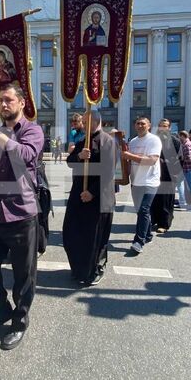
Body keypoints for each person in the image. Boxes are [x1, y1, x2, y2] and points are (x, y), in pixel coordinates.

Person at [0, 83, 44, 350]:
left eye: (8, 100)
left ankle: (19, 322)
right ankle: (0, 311)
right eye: (0, 100)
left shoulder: (32, 130)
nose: (3, 105)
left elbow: (26, 155)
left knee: (24, 275)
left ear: (22, 103)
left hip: (21, 213)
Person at [62, 109, 115, 285]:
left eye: (87, 122)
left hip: (99, 196)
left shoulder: (107, 141)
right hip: (79, 192)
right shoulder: (82, 142)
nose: (83, 125)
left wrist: (92, 192)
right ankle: (79, 268)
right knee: (73, 231)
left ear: (97, 121)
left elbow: (108, 172)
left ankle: (96, 269)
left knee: (96, 236)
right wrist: (79, 155)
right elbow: (69, 162)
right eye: (83, 122)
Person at [122, 116, 162, 254]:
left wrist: (129, 156)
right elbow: (127, 162)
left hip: (150, 181)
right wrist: (122, 176)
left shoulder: (154, 140)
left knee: (144, 210)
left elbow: (151, 160)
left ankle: (138, 242)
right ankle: (148, 234)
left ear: (149, 125)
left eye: (143, 123)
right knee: (141, 211)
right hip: (136, 181)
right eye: (138, 123)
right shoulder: (133, 142)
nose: (140, 126)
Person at [150, 119, 181, 233]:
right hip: (155, 175)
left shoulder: (175, 141)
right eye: (160, 126)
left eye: (165, 126)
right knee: (155, 199)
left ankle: (164, 224)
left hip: (169, 175)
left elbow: (178, 158)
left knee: (166, 200)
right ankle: (154, 220)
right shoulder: (154, 139)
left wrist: (165, 161)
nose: (162, 128)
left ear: (169, 128)